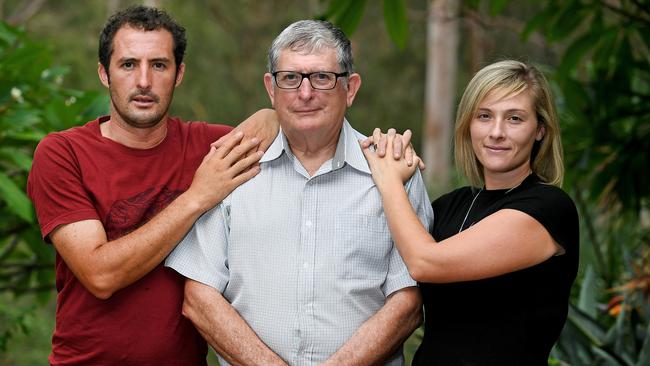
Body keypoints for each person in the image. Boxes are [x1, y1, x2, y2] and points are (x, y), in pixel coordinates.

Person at [165, 20, 433, 366]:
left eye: (322, 78)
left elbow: (408, 301)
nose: (305, 94)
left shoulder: (394, 171)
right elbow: (199, 297)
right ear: (271, 89)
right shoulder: (231, 169)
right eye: (290, 78)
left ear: (350, 89)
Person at [27, 6, 280, 365]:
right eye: (128, 65)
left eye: (159, 65)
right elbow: (100, 274)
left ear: (179, 74)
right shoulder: (64, 153)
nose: (144, 81)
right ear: (104, 73)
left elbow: (282, 124)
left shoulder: (206, 147)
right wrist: (198, 197)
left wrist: (268, 116)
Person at [362, 60, 579, 366]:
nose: (497, 132)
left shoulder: (548, 208)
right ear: (468, 124)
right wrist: (270, 119)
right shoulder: (451, 205)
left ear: (540, 130)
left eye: (515, 118)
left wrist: (390, 180)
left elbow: (426, 262)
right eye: (485, 116)